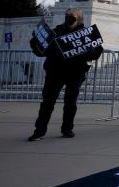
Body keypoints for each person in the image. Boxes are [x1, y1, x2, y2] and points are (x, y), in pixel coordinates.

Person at [28, 9, 103, 141]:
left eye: (72, 17)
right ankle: (39, 131)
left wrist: (88, 51)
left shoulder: (87, 34)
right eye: (67, 16)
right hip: (55, 72)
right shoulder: (56, 32)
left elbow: (96, 53)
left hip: (75, 73)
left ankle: (67, 129)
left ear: (79, 19)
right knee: (47, 103)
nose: (68, 19)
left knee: (70, 103)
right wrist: (35, 42)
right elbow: (42, 52)